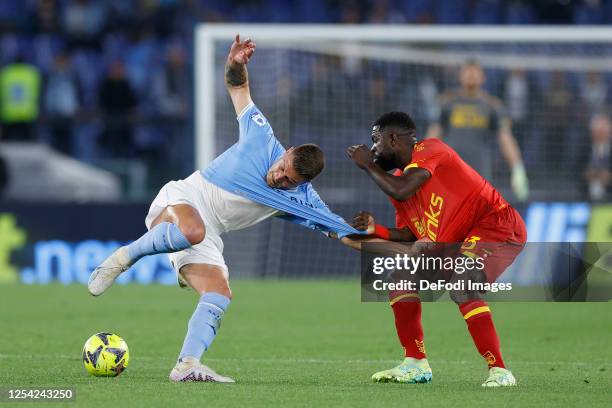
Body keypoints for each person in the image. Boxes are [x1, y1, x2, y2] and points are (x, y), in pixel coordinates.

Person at [88, 35, 359, 383]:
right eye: (281, 167)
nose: (277, 177)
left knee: (219, 294)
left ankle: (186, 365)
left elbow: (346, 234)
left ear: (300, 185)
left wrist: (397, 245)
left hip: (208, 234)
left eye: (287, 180)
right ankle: (123, 258)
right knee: (193, 230)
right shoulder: (262, 136)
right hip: (181, 200)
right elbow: (238, 88)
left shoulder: (303, 201)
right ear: (286, 150)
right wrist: (235, 63)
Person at [343, 111, 526, 387]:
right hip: (457, 240)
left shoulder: (430, 149)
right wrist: (375, 230)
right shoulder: (397, 179)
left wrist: (370, 166)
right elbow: (409, 233)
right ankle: (415, 363)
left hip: (495, 225)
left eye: (376, 140)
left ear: (393, 139)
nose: (372, 148)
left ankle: (500, 371)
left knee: (464, 284)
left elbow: (402, 189)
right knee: (401, 278)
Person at [426, 59, 528, 201]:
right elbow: (433, 135)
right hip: (449, 173)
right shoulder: (447, 103)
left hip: (479, 175)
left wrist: (517, 167)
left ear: (483, 77)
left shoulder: (492, 106)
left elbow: (505, 138)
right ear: (460, 76)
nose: (471, 75)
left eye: (475, 72)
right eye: (468, 71)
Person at [584, 113, 612, 201]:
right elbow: (575, 170)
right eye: (598, 130)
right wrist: (587, 175)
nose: (600, 133)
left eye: (603, 130)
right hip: (585, 194)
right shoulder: (583, 149)